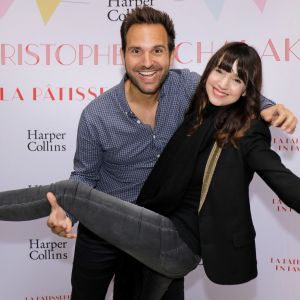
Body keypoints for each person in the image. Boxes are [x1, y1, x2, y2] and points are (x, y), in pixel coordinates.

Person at [1, 41, 300, 299]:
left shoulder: (248, 131)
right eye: (220, 71)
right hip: (155, 230)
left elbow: (282, 180)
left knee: (69, 192)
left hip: (176, 242)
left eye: (237, 79)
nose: (223, 84)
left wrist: (266, 109)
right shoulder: (197, 107)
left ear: (247, 89)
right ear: (208, 72)